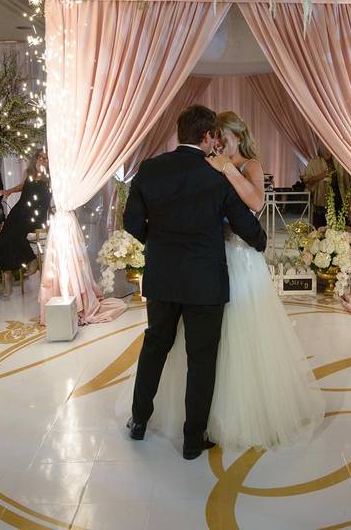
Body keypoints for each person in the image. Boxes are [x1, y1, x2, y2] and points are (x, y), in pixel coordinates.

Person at [123, 106, 270, 460]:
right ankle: (192, 440)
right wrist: (261, 241)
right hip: (205, 282)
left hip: (161, 278)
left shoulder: (150, 169)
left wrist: (157, 244)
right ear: (207, 137)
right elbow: (241, 222)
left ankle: (139, 421)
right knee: (200, 360)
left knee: (155, 346)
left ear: (179, 133)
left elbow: (131, 222)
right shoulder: (216, 175)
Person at [0, 149, 51, 297]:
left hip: (36, 214)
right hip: (20, 210)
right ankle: (8, 274)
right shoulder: (29, 172)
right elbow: (22, 186)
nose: (41, 160)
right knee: (2, 239)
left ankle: (31, 259)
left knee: (14, 234)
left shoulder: (52, 177)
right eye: (39, 157)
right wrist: (9, 191)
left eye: (45, 158)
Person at [302, 147, 351, 228]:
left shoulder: (339, 161)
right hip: (321, 203)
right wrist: (320, 176)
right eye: (325, 146)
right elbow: (308, 181)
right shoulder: (314, 162)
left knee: (340, 231)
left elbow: (347, 180)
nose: (328, 149)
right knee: (321, 232)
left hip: (339, 201)